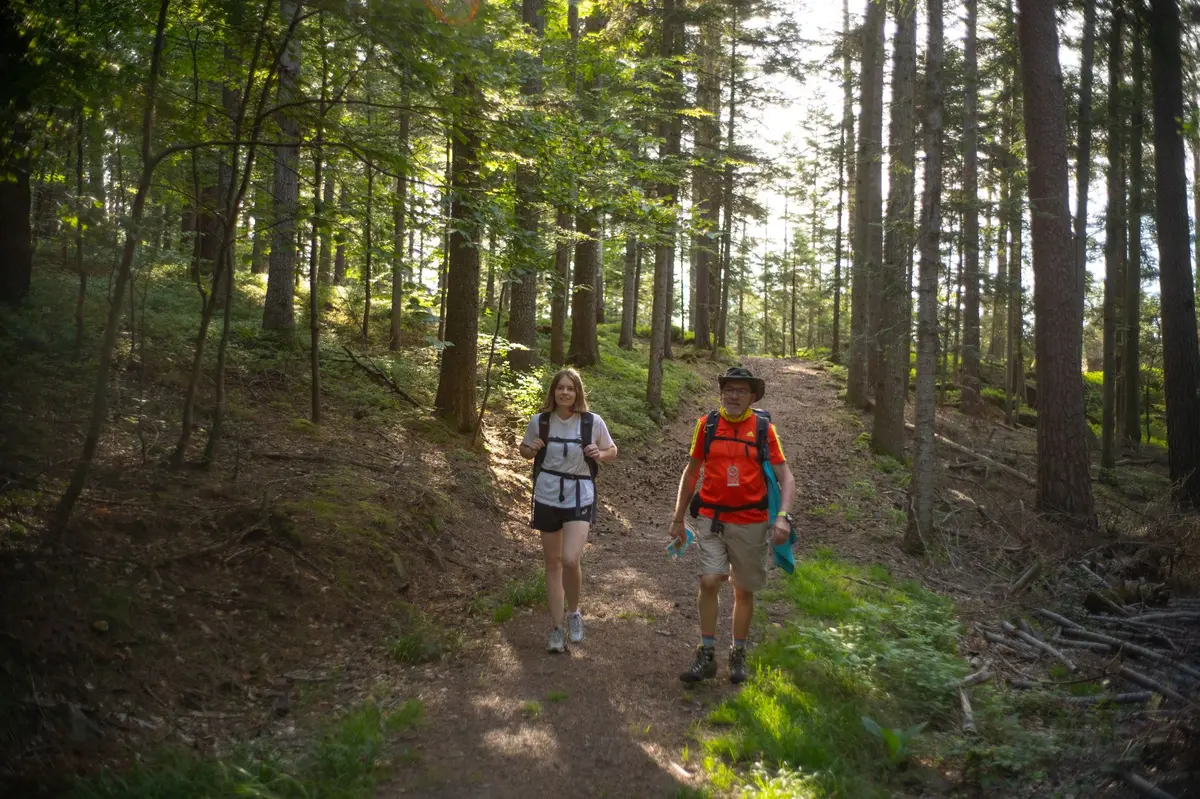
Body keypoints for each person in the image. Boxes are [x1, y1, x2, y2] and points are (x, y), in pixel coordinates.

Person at [668, 366, 796, 684]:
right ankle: (706, 652)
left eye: (741, 391)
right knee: (709, 580)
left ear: (752, 397)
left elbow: (786, 476)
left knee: (743, 590)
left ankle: (738, 651)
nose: (733, 396)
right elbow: (692, 472)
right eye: (728, 390)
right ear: (721, 393)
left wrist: (783, 516)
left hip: (751, 521)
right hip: (712, 519)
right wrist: (678, 517)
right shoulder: (707, 425)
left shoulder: (764, 429)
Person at [519, 368, 618, 653]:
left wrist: (600, 454)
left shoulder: (592, 422)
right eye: (560, 387)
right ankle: (556, 627)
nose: (565, 392)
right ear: (553, 391)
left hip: (579, 496)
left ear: (578, 393)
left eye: (570, 388)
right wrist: (531, 449)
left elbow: (612, 450)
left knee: (570, 560)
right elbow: (524, 450)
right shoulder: (540, 421)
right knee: (552, 563)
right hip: (547, 495)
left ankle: (574, 612)